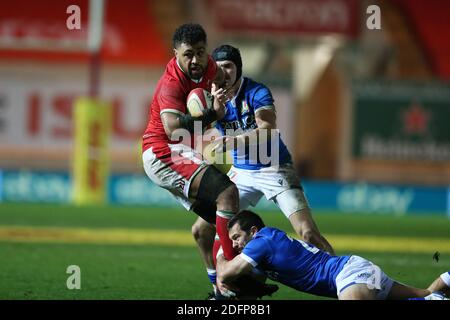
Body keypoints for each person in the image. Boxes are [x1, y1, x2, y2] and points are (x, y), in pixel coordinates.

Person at [141, 24, 275, 299]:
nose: (195, 61)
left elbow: (223, 84)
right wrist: (211, 115)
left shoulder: (210, 67)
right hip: (162, 152)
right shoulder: (171, 82)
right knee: (227, 194)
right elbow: (171, 127)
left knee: (219, 220)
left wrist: (222, 101)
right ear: (175, 54)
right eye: (188, 54)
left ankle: (220, 290)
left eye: (200, 53)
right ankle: (233, 275)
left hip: (180, 150)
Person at [190, 44, 334, 296]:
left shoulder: (256, 92)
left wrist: (233, 141)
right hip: (241, 172)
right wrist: (207, 112)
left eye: (229, 66)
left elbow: (267, 128)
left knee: (308, 233)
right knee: (201, 230)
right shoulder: (212, 98)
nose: (223, 72)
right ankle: (220, 288)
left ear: (238, 69)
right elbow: (197, 128)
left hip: (274, 168)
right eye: (219, 67)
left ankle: (341, 275)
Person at [215, 210, 450, 300]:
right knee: (427, 294)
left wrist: (218, 250)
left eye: (236, 237)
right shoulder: (268, 241)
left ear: (253, 231)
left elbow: (226, 273)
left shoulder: (260, 243)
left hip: (349, 275)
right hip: (355, 271)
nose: (234, 245)